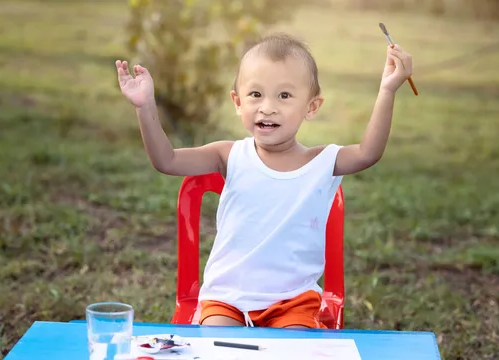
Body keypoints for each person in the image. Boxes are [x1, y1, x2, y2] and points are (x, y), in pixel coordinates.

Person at [115, 33, 413, 329]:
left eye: (284, 96)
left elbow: (368, 152)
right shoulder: (228, 154)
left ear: (311, 107)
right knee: (216, 351)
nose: (267, 107)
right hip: (227, 299)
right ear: (238, 102)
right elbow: (166, 161)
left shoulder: (322, 162)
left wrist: (387, 89)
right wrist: (145, 107)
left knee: (294, 359)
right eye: (256, 94)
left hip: (293, 301)